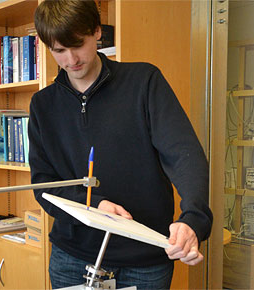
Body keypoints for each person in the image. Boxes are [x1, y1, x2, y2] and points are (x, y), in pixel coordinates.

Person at [29, 0, 213, 288]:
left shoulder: (144, 82)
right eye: (59, 50)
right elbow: (43, 184)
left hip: (145, 260)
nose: (71, 59)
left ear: (97, 32)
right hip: (72, 258)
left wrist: (193, 218)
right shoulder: (43, 105)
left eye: (78, 44)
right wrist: (94, 205)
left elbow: (184, 155)